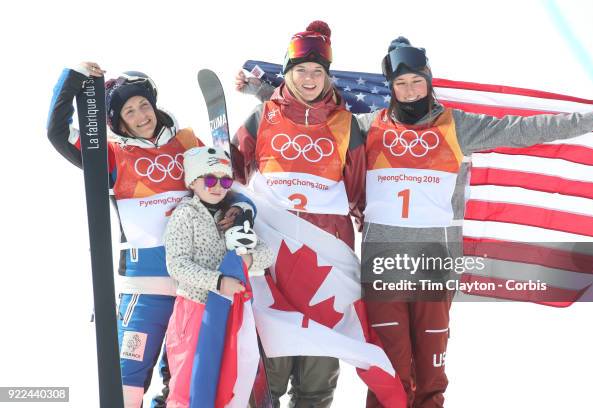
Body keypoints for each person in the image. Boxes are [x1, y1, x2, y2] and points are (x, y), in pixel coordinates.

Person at [237, 37, 593, 407]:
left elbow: (518, 129)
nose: (411, 90)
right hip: (383, 261)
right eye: (401, 83)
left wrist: (590, 120)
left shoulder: (455, 125)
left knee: (431, 376)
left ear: (429, 80)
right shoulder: (367, 127)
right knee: (389, 369)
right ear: (390, 88)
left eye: (417, 81)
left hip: (434, 259)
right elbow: (313, 118)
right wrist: (261, 91)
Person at [47, 63, 253, 408]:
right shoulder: (110, 155)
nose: (141, 115)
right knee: (126, 385)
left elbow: (223, 184)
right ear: (119, 120)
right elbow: (57, 132)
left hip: (196, 283)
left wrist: (243, 210)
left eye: (144, 104)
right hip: (146, 288)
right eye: (129, 111)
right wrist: (72, 78)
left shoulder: (187, 143)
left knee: (184, 381)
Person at [231, 21, 366, 408]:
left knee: (317, 376)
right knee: (268, 368)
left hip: (327, 261)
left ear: (327, 76)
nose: (309, 78)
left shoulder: (346, 125)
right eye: (301, 70)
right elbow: (231, 176)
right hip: (273, 257)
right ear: (287, 73)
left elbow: (359, 194)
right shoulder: (263, 118)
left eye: (318, 71)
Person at [163, 146, 274, 407]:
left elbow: (267, 253)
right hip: (195, 309)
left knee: (228, 380)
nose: (217, 187)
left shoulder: (234, 215)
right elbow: (177, 265)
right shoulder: (185, 215)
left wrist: (246, 259)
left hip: (230, 311)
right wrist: (217, 281)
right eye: (209, 179)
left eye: (224, 180)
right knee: (189, 382)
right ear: (192, 182)